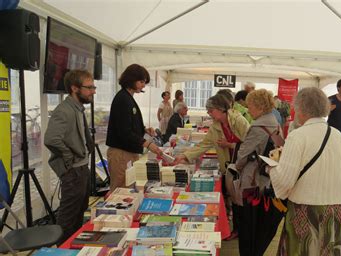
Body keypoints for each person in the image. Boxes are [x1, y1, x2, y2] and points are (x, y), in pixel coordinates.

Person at [268, 87, 341, 256]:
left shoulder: (297, 136)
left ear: (301, 109)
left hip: (304, 210)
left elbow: (285, 181)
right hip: (334, 210)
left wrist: (271, 168)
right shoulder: (338, 136)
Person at [227, 89, 281, 256]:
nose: (248, 110)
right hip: (266, 179)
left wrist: (236, 168)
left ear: (258, 106)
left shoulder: (258, 128)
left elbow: (242, 156)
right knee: (258, 221)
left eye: (249, 106)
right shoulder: (275, 123)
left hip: (251, 180)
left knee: (246, 221)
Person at [44, 69, 95, 243]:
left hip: (81, 168)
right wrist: (69, 158)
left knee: (79, 213)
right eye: (89, 87)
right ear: (75, 88)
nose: (93, 91)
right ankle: (62, 254)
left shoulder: (77, 109)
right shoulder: (64, 110)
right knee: (68, 218)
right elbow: (51, 139)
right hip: (73, 171)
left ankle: (72, 248)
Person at [106, 64, 162, 192]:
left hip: (128, 152)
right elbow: (124, 131)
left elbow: (128, 123)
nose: (143, 85)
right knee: (121, 190)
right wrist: (147, 144)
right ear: (131, 79)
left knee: (128, 187)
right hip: (121, 152)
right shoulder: (122, 99)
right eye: (141, 82)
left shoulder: (128, 97)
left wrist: (143, 129)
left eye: (144, 82)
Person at [174, 94, 249, 174]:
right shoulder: (215, 126)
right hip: (229, 168)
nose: (209, 114)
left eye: (211, 111)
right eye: (208, 111)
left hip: (244, 167)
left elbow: (251, 145)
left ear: (221, 108)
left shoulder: (239, 121)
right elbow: (203, 145)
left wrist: (230, 145)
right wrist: (184, 155)